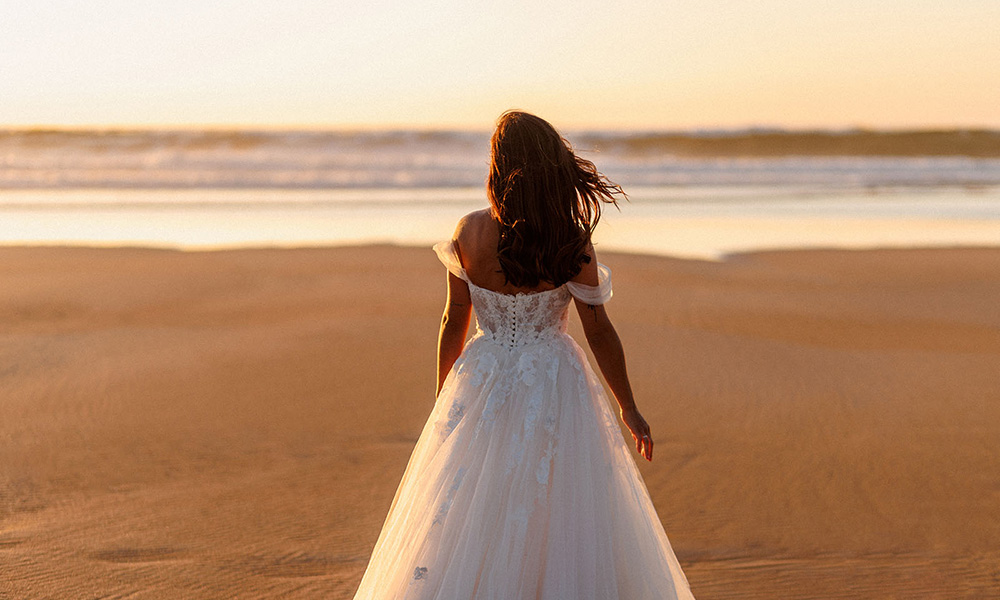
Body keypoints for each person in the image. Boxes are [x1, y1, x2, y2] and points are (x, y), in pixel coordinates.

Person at [352, 111, 695, 599]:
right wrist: (628, 407)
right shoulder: (569, 239)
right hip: (553, 379)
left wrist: (445, 393)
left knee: (475, 495)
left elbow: (454, 318)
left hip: (483, 374)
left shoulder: (469, 231)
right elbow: (598, 329)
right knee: (555, 500)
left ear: (499, 167)